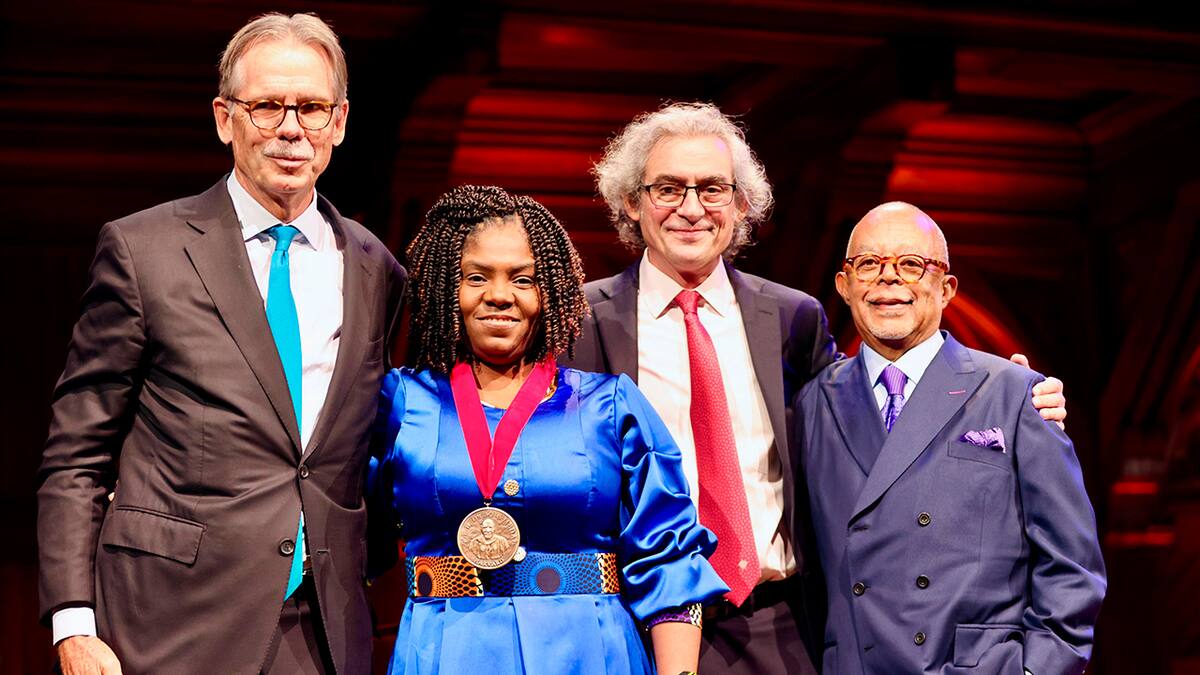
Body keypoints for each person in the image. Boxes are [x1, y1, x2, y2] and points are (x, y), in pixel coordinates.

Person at [567, 101, 1069, 674]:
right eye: (668, 189)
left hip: (780, 628)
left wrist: (1011, 403)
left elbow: (874, 420)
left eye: (712, 189)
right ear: (632, 202)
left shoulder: (790, 318)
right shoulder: (582, 322)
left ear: (741, 205)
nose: (691, 209)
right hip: (637, 622)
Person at [36, 13, 406, 674]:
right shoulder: (145, 250)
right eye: (267, 106)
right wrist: (72, 619)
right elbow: (76, 454)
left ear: (340, 122)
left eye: (312, 108)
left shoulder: (378, 268)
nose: (291, 128)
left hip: (321, 630)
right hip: (166, 625)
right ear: (224, 117)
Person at [367, 185, 727, 675]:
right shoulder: (402, 401)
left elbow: (670, 559)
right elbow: (350, 533)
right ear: (444, 288)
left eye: (523, 279)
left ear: (551, 291)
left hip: (591, 653)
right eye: (476, 277)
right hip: (443, 652)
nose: (499, 295)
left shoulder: (610, 404)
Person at [795, 202, 1106, 674]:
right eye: (869, 264)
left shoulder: (1015, 393)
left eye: (911, 264)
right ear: (844, 285)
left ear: (946, 288)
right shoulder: (814, 403)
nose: (888, 279)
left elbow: (1072, 567)